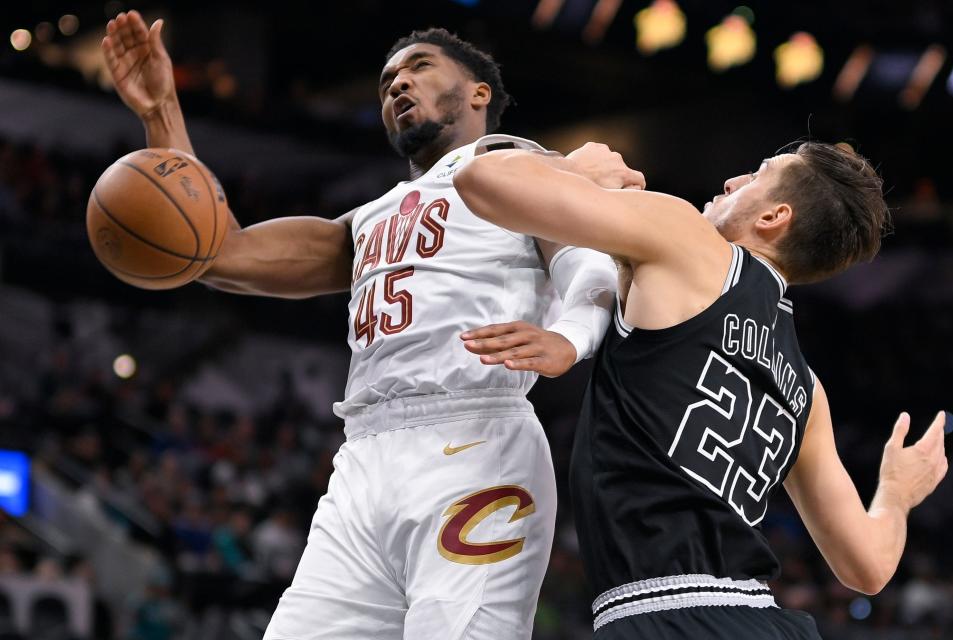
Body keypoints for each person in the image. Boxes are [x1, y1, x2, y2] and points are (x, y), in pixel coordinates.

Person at [101, 12, 639, 640]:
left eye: (418, 68)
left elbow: (588, 265)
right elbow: (218, 254)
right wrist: (162, 110)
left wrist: (570, 338)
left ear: (478, 93)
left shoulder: (513, 167)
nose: (397, 86)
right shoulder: (367, 220)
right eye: (386, 81)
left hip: (473, 441)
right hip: (363, 459)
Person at [453, 140, 949, 638]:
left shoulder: (688, 238)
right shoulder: (805, 386)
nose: (733, 181)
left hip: (664, 614)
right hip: (765, 621)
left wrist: (573, 168)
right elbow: (866, 568)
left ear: (775, 216)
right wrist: (896, 494)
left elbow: (481, 180)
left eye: (757, 174)